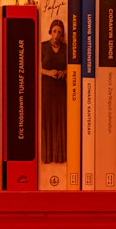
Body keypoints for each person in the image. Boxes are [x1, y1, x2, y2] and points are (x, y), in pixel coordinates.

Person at [40, 18, 68, 165]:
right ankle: (47, 155)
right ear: (50, 31)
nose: (57, 34)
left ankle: (60, 156)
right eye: (55, 31)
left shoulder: (66, 48)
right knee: (48, 119)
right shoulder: (43, 46)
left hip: (61, 89)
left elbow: (71, 67)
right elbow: (36, 67)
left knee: (60, 120)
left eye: (60, 32)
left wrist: (64, 73)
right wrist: (48, 72)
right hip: (47, 88)